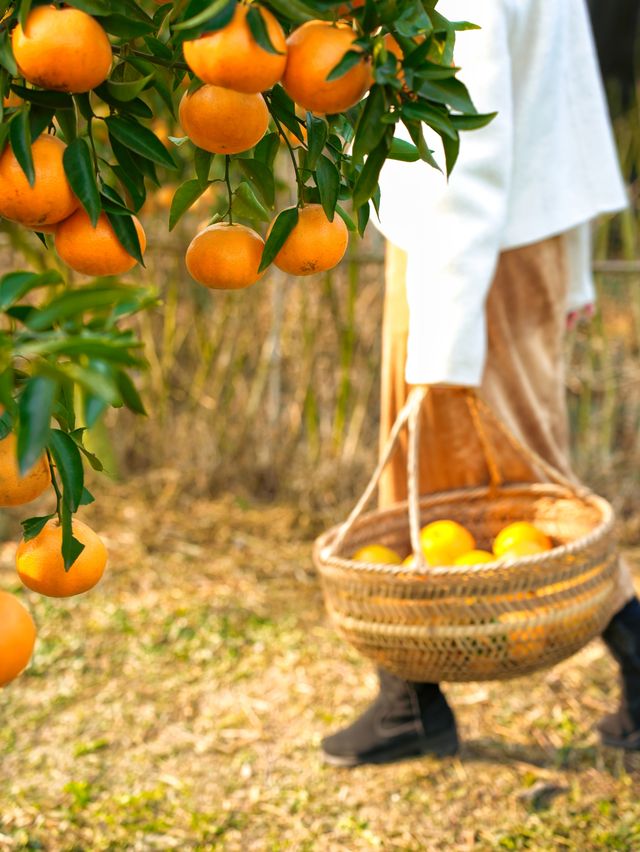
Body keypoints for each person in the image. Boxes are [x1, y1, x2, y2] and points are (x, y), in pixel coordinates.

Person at [321, 0, 640, 767]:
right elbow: (558, 96)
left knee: (507, 485)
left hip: (469, 250)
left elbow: (461, 142)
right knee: (510, 476)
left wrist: (446, 340)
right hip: (519, 235)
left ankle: (408, 705)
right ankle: (407, 698)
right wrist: (572, 260)